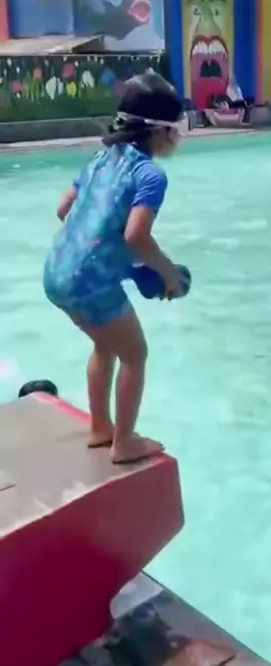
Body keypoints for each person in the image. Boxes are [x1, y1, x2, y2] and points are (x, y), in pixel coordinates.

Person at [43, 72, 186, 464]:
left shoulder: (101, 159)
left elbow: (64, 210)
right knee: (135, 355)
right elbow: (136, 235)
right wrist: (168, 273)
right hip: (91, 283)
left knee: (105, 345)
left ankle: (100, 427)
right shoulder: (149, 175)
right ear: (159, 131)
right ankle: (124, 442)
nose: (179, 136)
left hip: (56, 273)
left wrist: (115, 260)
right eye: (178, 127)